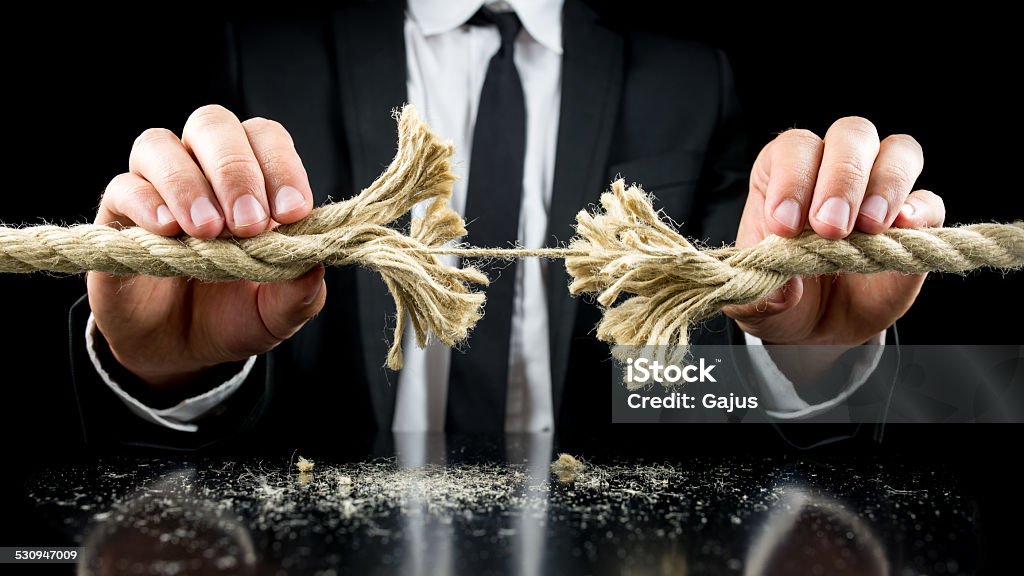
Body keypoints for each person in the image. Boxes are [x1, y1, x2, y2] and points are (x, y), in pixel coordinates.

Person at [69, 0, 945, 451]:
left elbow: (696, 393)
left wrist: (811, 362)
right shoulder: (266, 54)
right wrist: (168, 372)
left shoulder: (689, 78)